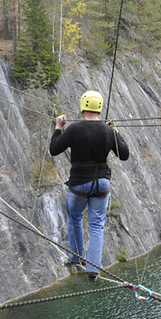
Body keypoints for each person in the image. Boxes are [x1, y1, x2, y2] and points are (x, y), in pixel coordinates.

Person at [49, 90, 130, 281]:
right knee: (96, 225)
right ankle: (93, 270)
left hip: (79, 183)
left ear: (83, 106)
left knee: (75, 218)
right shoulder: (108, 130)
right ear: (99, 107)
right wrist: (117, 133)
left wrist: (58, 127)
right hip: (102, 183)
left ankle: (77, 257)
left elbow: (54, 149)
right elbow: (124, 155)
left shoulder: (74, 129)